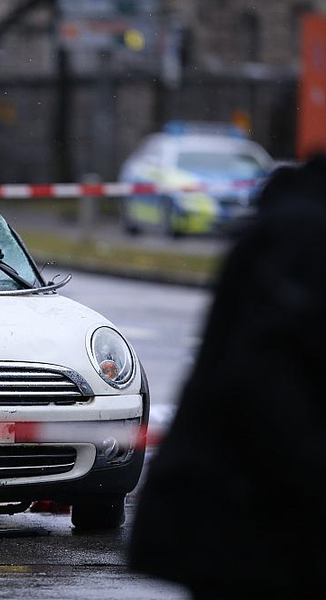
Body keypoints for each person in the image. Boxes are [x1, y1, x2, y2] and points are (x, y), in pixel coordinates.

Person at [128, 156, 326, 597]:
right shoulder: (303, 237)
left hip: (254, 518)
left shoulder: (293, 225)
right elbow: (266, 384)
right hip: (255, 527)